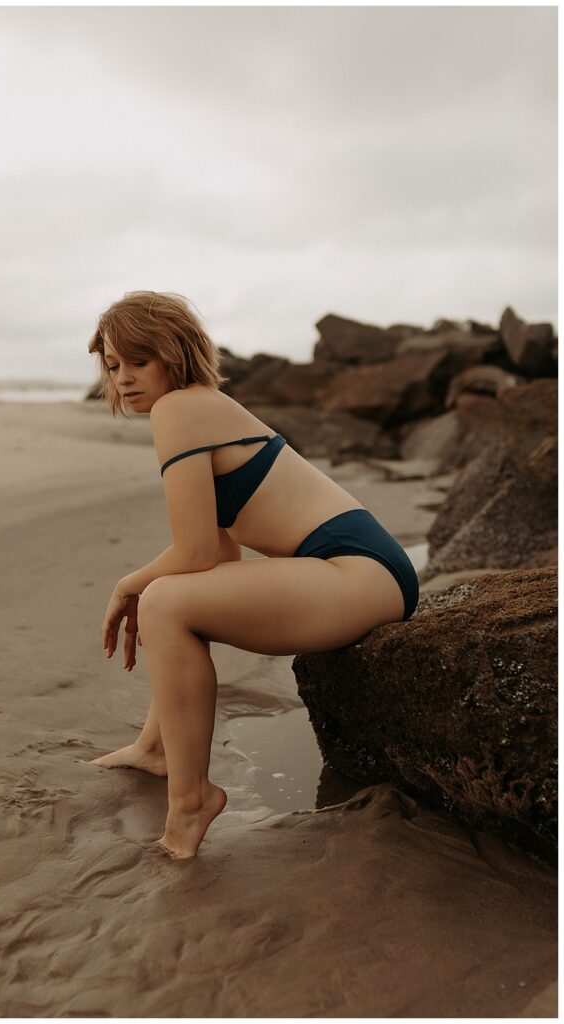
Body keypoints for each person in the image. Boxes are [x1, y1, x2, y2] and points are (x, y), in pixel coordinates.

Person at [87, 290, 419, 860]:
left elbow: (191, 555)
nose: (123, 379)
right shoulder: (198, 408)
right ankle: (157, 748)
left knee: (166, 599)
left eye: (138, 362)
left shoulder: (181, 408)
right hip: (364, 573)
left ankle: (191, 800)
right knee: (173, 598)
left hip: (358, 572)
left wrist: (129, 584)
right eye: (113, 366)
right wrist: (154, 583)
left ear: (175, 353)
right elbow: (214, 557)